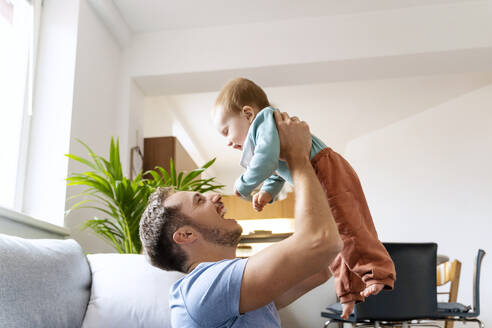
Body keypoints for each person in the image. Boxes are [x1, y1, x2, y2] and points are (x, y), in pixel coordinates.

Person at [212, 78, 396, 319]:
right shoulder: (268, 136)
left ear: (247, 113)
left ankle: (378, 272)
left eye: (226, 130)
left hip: (326, 169)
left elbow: (266, 160)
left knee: (348, 225)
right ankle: (349, 293)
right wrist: (268, 191)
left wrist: (244, 184)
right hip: (321, 174)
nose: (227, 141)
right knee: (337, 238)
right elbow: (278, 168)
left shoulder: (265, 119)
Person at [140, 112, 343, 327]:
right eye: (199, 201)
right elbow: (319, 243)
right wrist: (297, 157)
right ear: (186, 235)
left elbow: (318, 268)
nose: (215, 196)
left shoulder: (235, 292)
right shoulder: (202, 289)